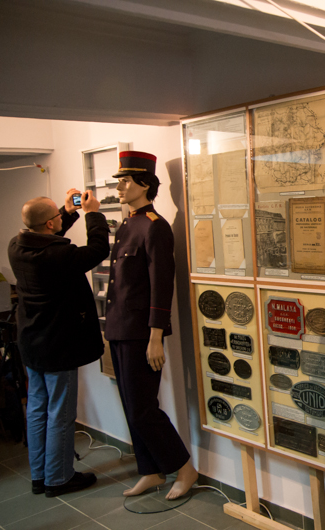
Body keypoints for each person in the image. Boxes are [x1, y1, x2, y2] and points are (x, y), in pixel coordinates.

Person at [103, 151, 198, 499]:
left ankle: (184, 468)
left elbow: (161, 284)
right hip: (119, 329)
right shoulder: (127, 224)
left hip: (141, 333)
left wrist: (156, 336)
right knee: (131, 407)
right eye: (119, 181)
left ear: (145, 185)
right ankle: (150, 470)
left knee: (143, 409)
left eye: (126, 181)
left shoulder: (155, 226)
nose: (119, 187)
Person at [8, 188, 107, 497]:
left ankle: (40, 476)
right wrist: (92, 214)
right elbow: (97, 249)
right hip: (58, 347)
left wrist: (67, 212)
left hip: (31, 344)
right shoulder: (58, 255)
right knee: (61, 413)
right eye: (57, 216)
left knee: (37, 408)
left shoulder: (16, 246)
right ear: (50, 224)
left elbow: (46, 237)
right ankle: (59, 478)